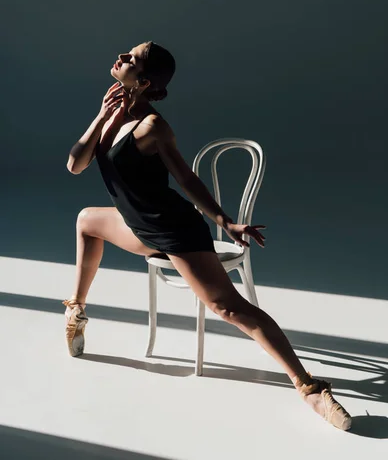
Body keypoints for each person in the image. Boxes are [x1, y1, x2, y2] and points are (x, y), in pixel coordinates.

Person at [64, 40, 352, 431]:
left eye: (131, 58)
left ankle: (309, 387)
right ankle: (76, 310)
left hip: (172, 229)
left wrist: (226, 221)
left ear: (144, 81)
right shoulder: (112, 112)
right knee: (86, 220)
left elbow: (186, 179)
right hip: (138, 227)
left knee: (229, 308)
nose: (121, 57)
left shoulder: (153, 127)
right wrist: (101, 115)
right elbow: (75, 164)